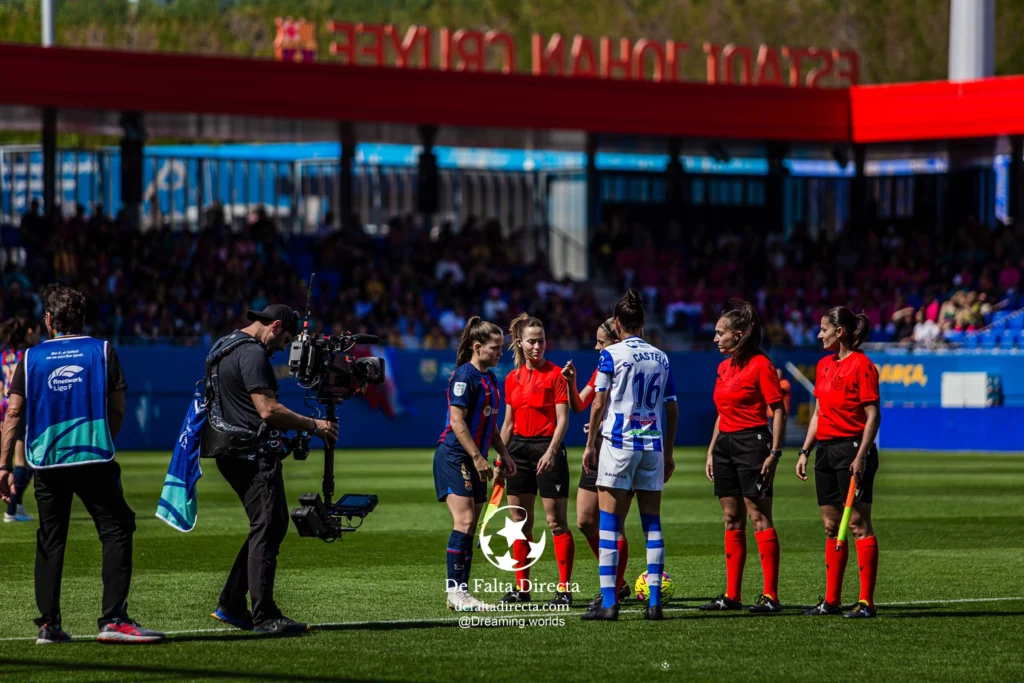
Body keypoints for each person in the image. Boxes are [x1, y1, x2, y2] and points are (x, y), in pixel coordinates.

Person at [0, 285, 164, 645]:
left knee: (51, 538)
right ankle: (114, 619)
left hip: (46, 461)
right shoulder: (102, 351)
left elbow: (13, 413)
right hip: (93, 457)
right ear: (83, 319)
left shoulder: (30, 358)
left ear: (49, 319)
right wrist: (104, 438)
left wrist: (3, 467)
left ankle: (48, 625)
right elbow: (118, 408)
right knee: (117, 528)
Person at [203, 304, 339, 635]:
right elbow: (268, 410)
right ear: (275, 326)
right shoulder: (253, 353)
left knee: (267, 524)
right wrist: (315, 425)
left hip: (227, 449)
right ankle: (264, 615)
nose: (283, 349)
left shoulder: (224, 344)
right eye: (286, 340)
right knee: (268, 526)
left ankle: (232, 605)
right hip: (250, 454)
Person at [581, 290, 678, 621]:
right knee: (652, 524)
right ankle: (655, 603)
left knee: (609, 524)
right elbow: (672, 408)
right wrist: (669, 453)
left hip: (619, 444)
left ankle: (609, 603)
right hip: (652, 445)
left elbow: (598, 403)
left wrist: (590, 443)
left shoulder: (611, 355)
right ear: (643, 322)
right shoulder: (661, 357)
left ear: (617, 323)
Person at [702, 301, 787, 613]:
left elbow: (778, 410)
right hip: (725, 444)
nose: (715, 338)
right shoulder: (723, 368)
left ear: (738, 335)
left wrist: (774, 452)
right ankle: (732, 596)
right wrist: (712, 450)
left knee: (758, 516)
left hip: (753, 442)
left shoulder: (762, 365)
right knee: (731, 518)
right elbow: (721, 413)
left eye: (720, 333)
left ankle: (770, 597)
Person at [796, 306, 881, 619]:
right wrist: (805, 451)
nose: (819, 335)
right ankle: (831, 601)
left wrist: (861, 456)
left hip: (852, 450)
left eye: (824, 329)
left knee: (857, 524)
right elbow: (818, 413)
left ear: (840, 331)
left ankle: (866, 602)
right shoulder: (823, 366)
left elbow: (873, 416)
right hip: (826, 451)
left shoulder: (862, 365)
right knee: (832, 526)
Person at [435, 317, 516, 612]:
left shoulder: (490, 379)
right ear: (478, 346)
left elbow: (491, 427)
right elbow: (457, 422)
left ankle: (461, 593)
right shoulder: (464, 376)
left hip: (474, 460)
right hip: (455, 456)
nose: (500, 353)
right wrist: (478, 457)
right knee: (466, 521)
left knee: (470, 529)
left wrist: (503, 454)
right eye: (495, 348)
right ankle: (455, 591)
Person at [498, 314, 573, 606]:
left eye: (541, 340)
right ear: (519, 342)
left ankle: (564, 590)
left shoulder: (556, 375)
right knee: (519, 522)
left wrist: (551, 452)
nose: (537, 346)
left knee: (556, 523)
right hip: (517, 450)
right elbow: (507, 424)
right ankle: (522, 589)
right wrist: (500, 459)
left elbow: (563, 420)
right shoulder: (511, 378)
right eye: (531, 341)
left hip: (547, 447)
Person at [562, 318, 631, 609]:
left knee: (613, 524)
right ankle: (618, 583)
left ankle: (613, 587)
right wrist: (570, 382)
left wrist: (603, 425)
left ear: (616, 341)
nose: (595, 347)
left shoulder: (631, 365)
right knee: (585, 520)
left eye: (600, 342)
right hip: (599, 446)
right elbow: (579, 405)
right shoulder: (602, 366)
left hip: (620, 446)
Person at [1, 315, 39, 522]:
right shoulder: (29, 355)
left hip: (6, 409)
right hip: (23, 408)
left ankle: (18, 506)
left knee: (20, 461)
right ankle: (11, 509)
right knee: (26, 463)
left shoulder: (4, 355)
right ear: (30, 332)